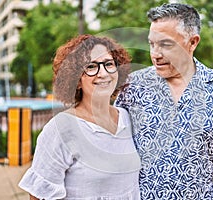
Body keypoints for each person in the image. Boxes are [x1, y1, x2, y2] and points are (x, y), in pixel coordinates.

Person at [115, 3, 213, 200]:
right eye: (152, 44)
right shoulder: (133, 86)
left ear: (192, 42)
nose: (155, 54)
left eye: (166, 44)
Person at [18, 34, 141, 199]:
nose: (103, 73)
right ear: (75, 79)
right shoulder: (60, 130)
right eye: (91, 66)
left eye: (109, 64)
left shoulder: (126, 118)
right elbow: (39, 196)